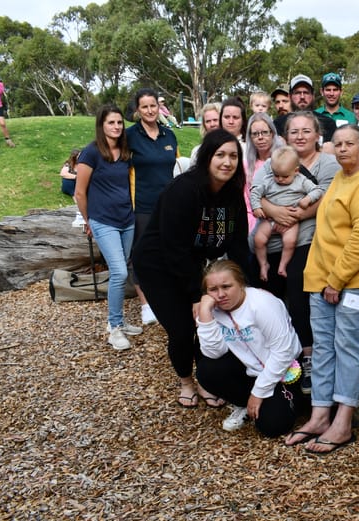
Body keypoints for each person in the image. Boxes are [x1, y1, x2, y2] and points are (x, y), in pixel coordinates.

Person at [285, 124, 359, 453]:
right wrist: (326, 279)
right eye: (337, 144)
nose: (342, 149)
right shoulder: (340, 178)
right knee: (323, 346)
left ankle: (343, 422)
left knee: (348, 343)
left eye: (349, 143)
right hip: (327, 277)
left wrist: (336, 280)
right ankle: (321, 413)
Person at [133, 128, 251, 409]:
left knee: (208, 322)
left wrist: (246, 286)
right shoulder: (184, 190)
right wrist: (196, 297)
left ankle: (208, 379)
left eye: (233, 156)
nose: (227, 162)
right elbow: (174, 247)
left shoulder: (231, 194)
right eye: (220, 155)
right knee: (183, 327)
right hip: (157, 264)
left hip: (192, 263)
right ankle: (187, 381)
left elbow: (236, 244)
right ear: (207, 157)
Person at [253, 110, 340, 394]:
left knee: (298, 284)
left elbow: (324, 198)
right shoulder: (276, 160)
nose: (300, 136)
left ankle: (309, 356)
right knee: (265, 290)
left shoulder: (328, 163)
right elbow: (260, 193)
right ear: (285, 136)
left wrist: (291, 217)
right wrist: (276, 211)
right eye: (294, 131)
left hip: (307, 239)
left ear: (318, 135)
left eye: (306, 131)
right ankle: (272, 361)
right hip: (272, 236)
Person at [196, 259, 303, 436]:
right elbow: (214, 353)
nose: (220, 294)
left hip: (284, 370)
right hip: (250, 368)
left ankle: (283, 401)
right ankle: (243, 404)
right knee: (206, 370)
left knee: (272, 427)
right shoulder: (214, 309)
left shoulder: (262, 304)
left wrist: (258, 393)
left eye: (227, 286)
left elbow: (284, 353)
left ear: (241, 284)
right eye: (213, 290)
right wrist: (205, 314)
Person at [73, 105, 140, 350]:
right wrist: (88, 220)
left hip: (127, 220)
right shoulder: (91, 153)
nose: (116, 127)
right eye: (111, 123)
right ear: (102, 125)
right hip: (103, 221)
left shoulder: (124, 151)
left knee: (120, 271)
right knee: (120, 272)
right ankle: (114, 327)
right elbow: (79, 193)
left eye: (119, 123)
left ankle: (119, 320)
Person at [126, 87, 179, 326]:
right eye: (144, 106)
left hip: (168, 205)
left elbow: (175, 168)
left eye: (153, 106)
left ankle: (167, 297)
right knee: (141, 254)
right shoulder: (130, 136)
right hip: (142, 205)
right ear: (138, 110)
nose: (149, 110)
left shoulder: (169, 135)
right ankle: (145, 303)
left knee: (168, 252)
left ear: (159, 108)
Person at [252, 146, 323, 281]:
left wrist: (307, 199)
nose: (279, 179)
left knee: (290, 242)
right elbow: (255, 192)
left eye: (285, 176)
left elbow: (318, 190)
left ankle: (282, 265)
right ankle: (263, 264)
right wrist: (256, 207)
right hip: (270, 219)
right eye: (276, 175)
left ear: (296, 171)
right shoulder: (268, 180)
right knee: (258, 240)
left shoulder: (302, 180)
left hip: (290, 223)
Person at [243, 112, 285, 232]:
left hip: (283, 221)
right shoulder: (246, 166)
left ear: (272, 133)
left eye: (265, 132)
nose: (260, 137)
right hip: (254, 223)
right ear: (250, 137)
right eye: (255, 134)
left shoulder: (284, 160)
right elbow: (247, 202)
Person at [273, 74, 336, 149]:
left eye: (306, 92)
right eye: (297, 93)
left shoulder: (328, 123)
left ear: (313, 95)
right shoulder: (278, 124)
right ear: (290, 96)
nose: (302, 97)